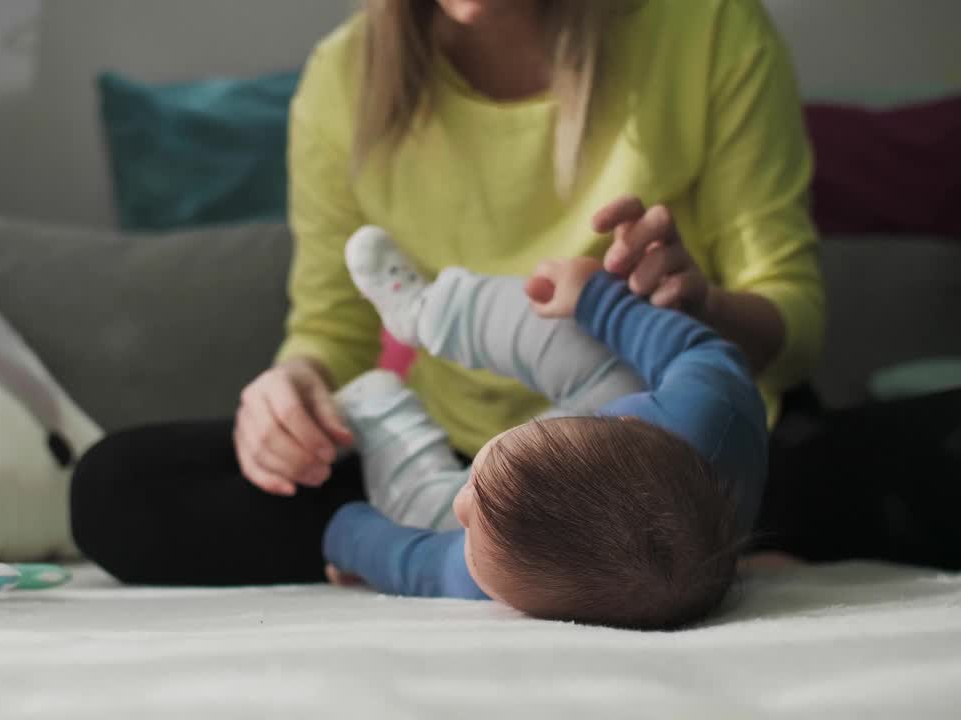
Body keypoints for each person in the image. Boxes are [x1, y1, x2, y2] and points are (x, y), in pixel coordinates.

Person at [70, 0, 824, 585]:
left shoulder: (709, 29)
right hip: (465, 468)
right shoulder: (342, 77)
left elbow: (791, 313)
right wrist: (291, 386)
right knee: (116, 488)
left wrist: (693, 311)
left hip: (674, 444)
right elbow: (333, 328)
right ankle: (573, 552)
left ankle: (484, 551)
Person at [321, 226, 763, 629]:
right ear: (624, 422)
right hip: (623, 388)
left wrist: (344, 533)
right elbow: (694, 344)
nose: (462, 506)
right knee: (586, 333)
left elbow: (412, 561)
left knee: (428, 519)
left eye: (475, 551)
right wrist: (599, 300)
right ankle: (432, 310)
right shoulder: (710, 406)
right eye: (478, 482)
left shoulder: (503, 573)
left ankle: (378, 410)